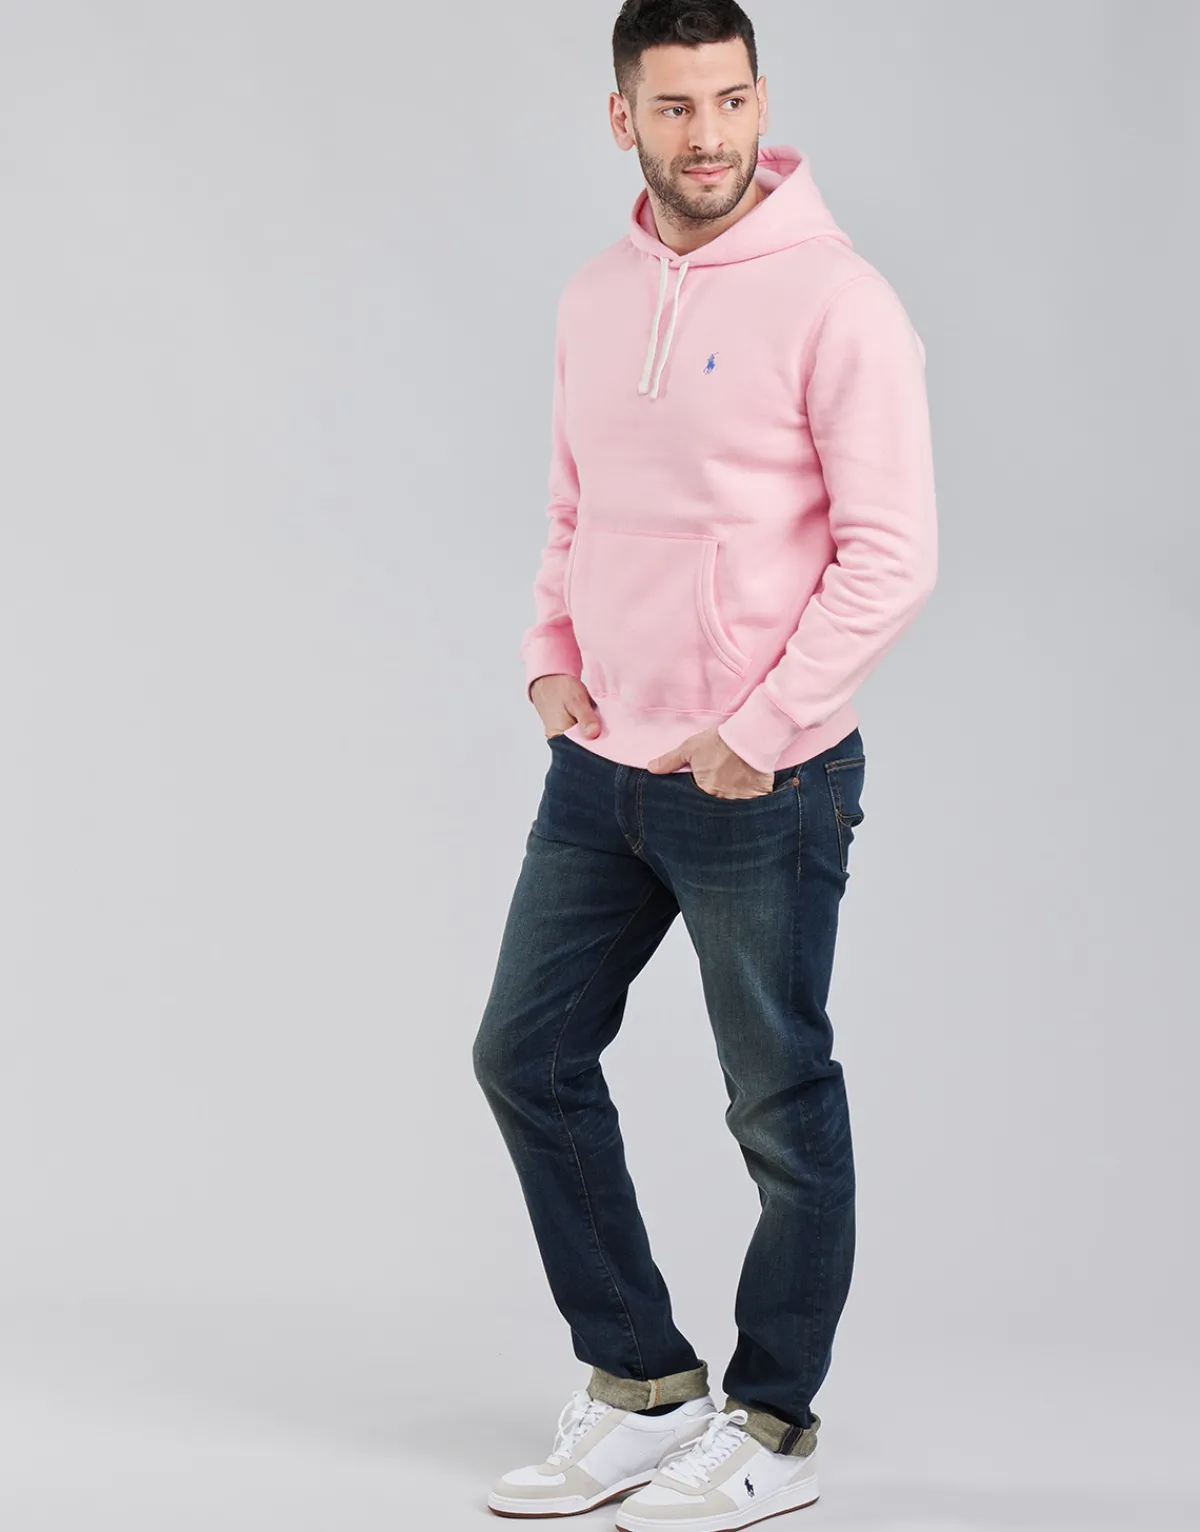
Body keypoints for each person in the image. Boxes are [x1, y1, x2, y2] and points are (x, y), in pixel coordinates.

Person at [472, 2, 937, 1526]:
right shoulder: (593, 297)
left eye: (730, 100)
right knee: (526, 1057)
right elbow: (574, 503)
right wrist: (550, 652)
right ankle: (644, 1384)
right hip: (602, 765)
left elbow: (891, 555)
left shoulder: (839, 299)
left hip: (762, 779)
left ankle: (774, 1425)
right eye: (675, 107)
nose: (708, 135)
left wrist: (759, 730)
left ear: (760, 101)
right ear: (625, 120)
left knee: (777, 1104)